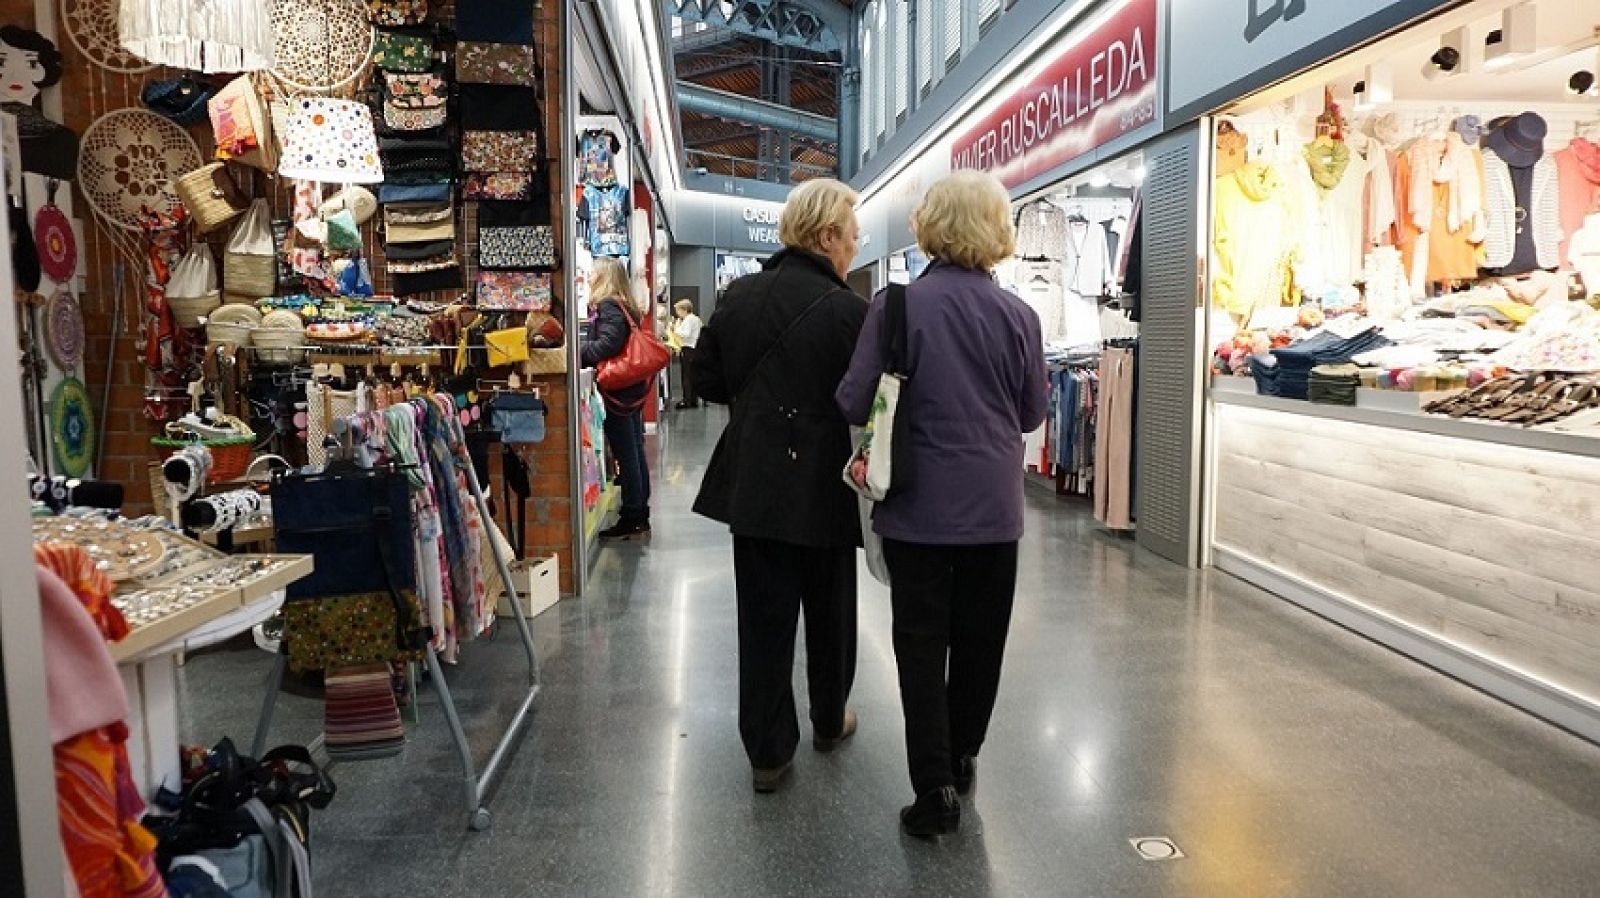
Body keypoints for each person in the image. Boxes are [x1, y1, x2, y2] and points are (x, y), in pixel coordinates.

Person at [836, 170, 1047, 837]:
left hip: (916, 507)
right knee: (981, 642)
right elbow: (1033, 411)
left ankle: (934, 791)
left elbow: (851, 399)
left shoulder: (894, 308)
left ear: (928, 227)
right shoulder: (1021, 317)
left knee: (921, 647)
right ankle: (962, 754)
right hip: (993, 509)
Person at [693, 178, 869, 793]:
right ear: (827, 238)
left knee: (763, 619)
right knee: (832, 610)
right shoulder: (853, 314)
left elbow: (708, 380)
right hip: (826, 482)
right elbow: (866, 399)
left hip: (759, 482)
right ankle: (828, 719)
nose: (855, 246)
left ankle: (768, 754)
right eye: (852, 235)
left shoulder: (738, 296)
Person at [581, 256, 653, 540]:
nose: (589, 277)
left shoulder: (609, 305)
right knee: (633, 449)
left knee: (627, 451)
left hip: (618, 391)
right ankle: (639, 510)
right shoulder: (626, 304)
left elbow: (609, 343)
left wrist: (580, 351)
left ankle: (634, 514)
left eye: (594, 273)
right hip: (630, 388)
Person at [672, 299, 703, 409]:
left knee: (686, 376)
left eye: (678, 310)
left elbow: (685, 334)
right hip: (694, 349)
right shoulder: (696, 319)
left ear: (684, 309)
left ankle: (687, 400)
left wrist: (675, 328)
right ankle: (692, 399)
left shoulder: (688, 320)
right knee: (691, 375)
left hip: (688, 349)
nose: (677, 313)